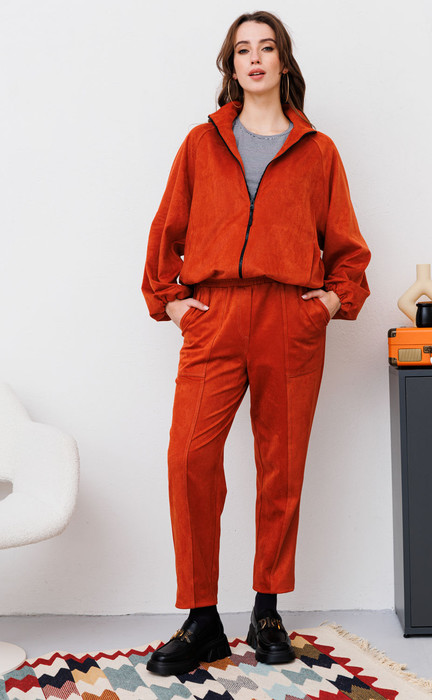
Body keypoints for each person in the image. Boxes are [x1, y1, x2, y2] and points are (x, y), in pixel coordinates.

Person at [142, 10, 371, 677]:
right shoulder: (200, 143)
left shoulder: (318, 151)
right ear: (231, 65)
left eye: (267, 47)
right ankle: (202, 619)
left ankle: (266, 609)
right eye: (243, 49)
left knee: (281, 467)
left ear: (284, 62)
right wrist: (172, 301)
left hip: (288, 319)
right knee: (189, 458)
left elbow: (347, 247)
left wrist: (330, 302)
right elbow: (166, 230)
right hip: (214, 316)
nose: (255, 58)